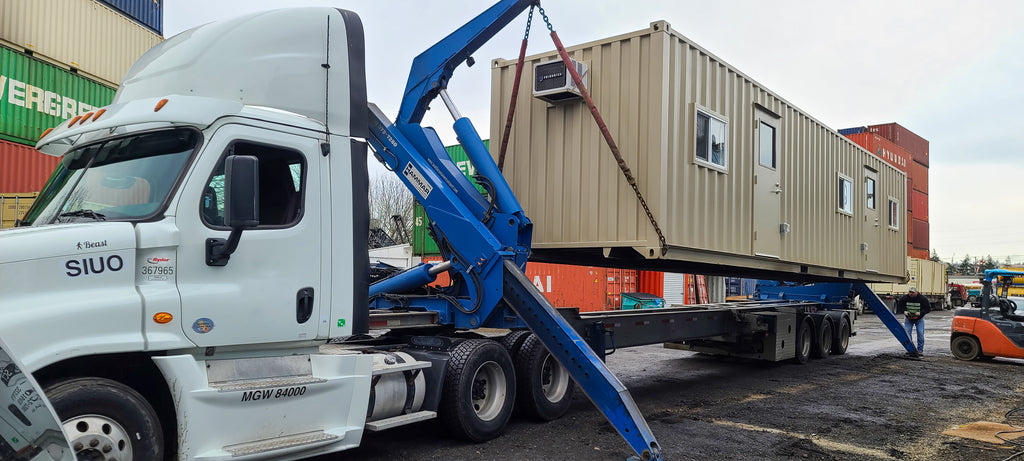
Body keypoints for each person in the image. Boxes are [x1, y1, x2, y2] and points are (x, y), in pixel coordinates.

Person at [896, 286, 931, 356]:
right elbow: (899, 306)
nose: (911, 294)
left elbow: (928, 309)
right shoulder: (904, 298)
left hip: (919, 319)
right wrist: (904, 311)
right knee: (907, 333)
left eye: (913, 292)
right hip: (908, 319)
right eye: (910, 292)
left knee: (920, 333)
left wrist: (920, 313)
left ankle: (920, 350)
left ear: (917, 292)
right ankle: (910, 349)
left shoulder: (922, 299)